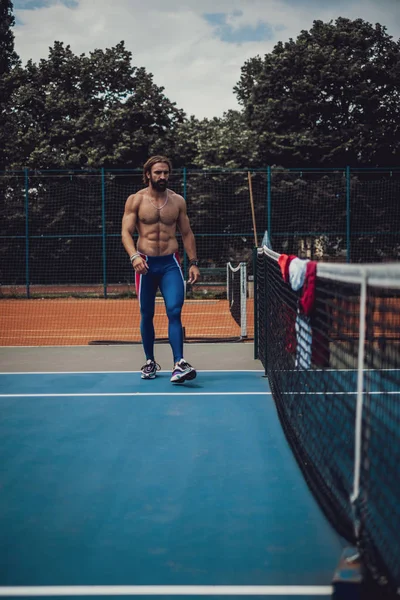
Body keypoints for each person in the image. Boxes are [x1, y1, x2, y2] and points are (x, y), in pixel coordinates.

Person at [121, 155, 200, 383]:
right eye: (157, 172)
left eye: (165, 172)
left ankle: (179, 363)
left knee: (174, 311)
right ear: (148, 174)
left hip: (170, 264)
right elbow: (126, 232)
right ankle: (149, 361)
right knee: (147, 314)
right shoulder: (135, 200)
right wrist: (134, 256)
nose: (162, 176)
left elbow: (186, 233)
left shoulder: (177, 201)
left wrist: (193, 262)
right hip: (144, 265)